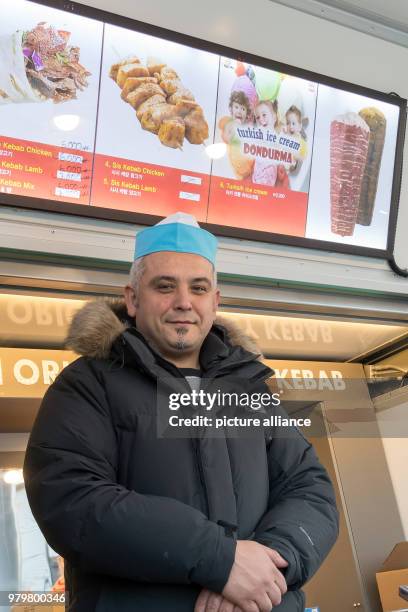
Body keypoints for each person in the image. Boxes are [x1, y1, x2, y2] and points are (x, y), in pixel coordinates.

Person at [23, 212, 339, 611]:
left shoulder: (251, 390)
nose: (184, 302)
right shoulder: (88, 384)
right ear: (133, 299)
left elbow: (310, 489)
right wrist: (220, 560)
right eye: (165, 286)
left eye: (199, 287)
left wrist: (271, 563)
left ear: (215, 301)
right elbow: (71, 498)